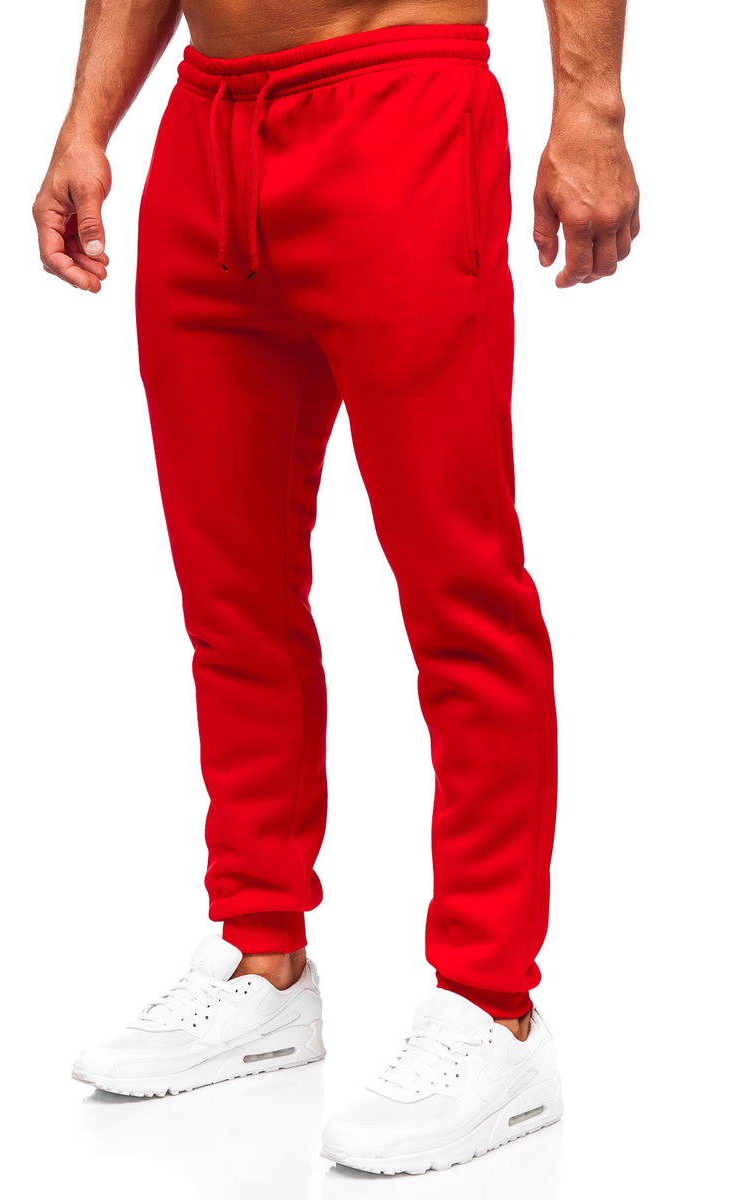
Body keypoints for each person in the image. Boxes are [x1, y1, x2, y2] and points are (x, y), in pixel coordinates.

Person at [34, 0, 638, 1175]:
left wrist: (592, 105)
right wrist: (87, 119)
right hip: (208, 133)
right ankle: (261, 956)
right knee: (232, 596)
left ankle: (495, 1009)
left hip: (401, 104)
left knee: (462, 593)